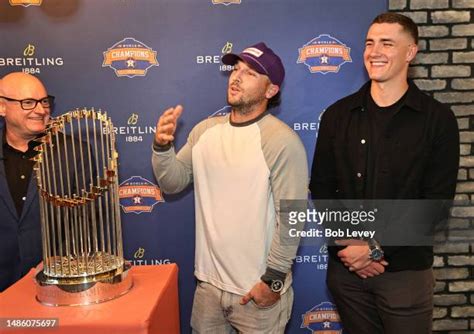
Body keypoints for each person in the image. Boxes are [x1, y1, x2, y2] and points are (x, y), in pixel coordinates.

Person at [309, 13, 459, 334]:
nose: (374, 51)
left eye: (387, 43)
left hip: (404, 273)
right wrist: (348, 245)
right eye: (369, 43)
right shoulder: (338, 115)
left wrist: (374, 249)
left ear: (410, 52)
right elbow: (322, 187)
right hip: (346, 272)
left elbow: (436, 204)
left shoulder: (438, 119)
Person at [152, 42, 308, 333]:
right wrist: (162, 148)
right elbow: (171, 183)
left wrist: (272, 281)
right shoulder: (204, 131)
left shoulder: (281, 141)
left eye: (249, 73)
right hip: (208, 290)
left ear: (270, 90)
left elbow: (293, 218)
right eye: (235, 69)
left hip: (257, 294)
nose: (236, 77)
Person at [0, 72, 54, 291]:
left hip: (56, 289)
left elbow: (91, 221)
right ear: (2, 107)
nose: (40, 110)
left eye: (44, 102)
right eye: (28, 103)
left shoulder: (74, 154)